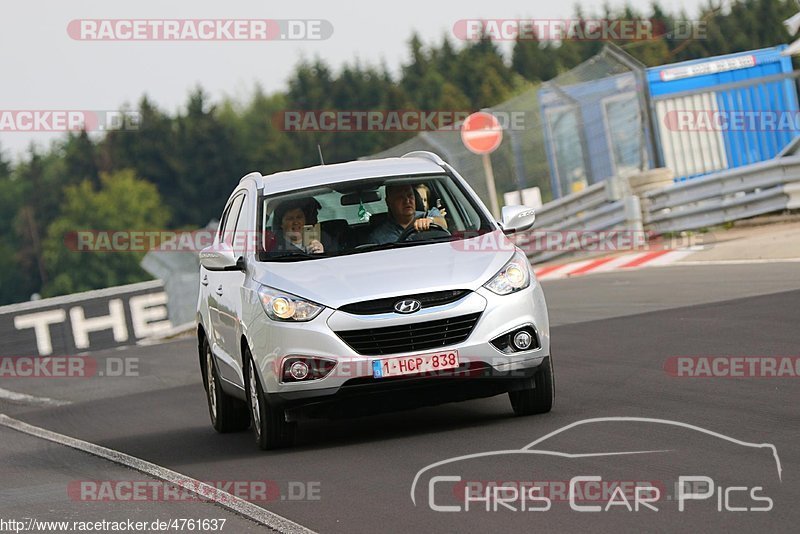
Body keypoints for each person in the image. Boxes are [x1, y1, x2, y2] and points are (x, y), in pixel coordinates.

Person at [369, 183, 447, 244]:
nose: (407, 201)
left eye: (410, 195)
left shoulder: (428, 215)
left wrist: (430, 221)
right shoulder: (378, 237)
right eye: (400, 197)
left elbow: (443, 224)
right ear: (389, 202)